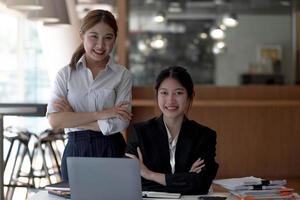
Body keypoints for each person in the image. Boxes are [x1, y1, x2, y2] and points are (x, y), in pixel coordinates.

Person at [47, 9, 132, 182]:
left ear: (115, 39)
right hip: (76, 150)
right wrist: (102, 114)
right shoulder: (65, 74)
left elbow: (121, 121)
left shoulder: (122, 75)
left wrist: (73, 116)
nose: (101, 45)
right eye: (94, 36)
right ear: (82, 35)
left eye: (108, 38)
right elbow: (55, 121)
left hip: (112, 149)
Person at [125, 66, 218, 195]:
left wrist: (149, 174)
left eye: (178, 93)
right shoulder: (140, 133)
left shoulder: (204, 136)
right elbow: (136, 183)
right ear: (156, 94)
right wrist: (185, 179)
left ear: (190, 96)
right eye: (164, 93)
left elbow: (201, 184)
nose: (170, 100)